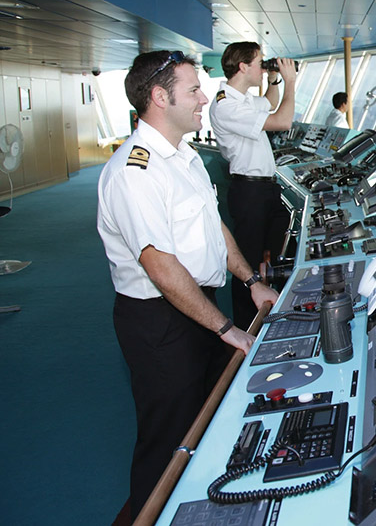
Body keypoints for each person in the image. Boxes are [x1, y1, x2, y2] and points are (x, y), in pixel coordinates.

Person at [97, 50, 279, 521]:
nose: (204, 98)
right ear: (160, 97)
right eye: (193, 89)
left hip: (199, 305)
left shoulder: (184, 155)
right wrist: (225, 328)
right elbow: (160, 267)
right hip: (159, 321)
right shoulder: (134, 173)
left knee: (207, 420)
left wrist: (252, 280)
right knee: (169, 437)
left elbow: (213, 226)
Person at [209, 42, 296, 329]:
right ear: (243, 66)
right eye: (260, 63)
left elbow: (269, 103)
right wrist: (291, 83)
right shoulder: (227, 105)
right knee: (247, 265)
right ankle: (247, 327)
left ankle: (272, 313)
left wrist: (274, 79)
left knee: (276, 256)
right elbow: (282, 120)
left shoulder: (242, 99)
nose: (262, 68)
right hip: (249, 192)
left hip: (265, 190)